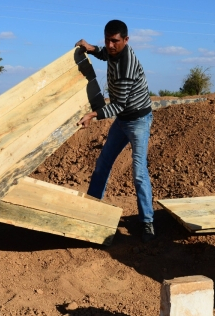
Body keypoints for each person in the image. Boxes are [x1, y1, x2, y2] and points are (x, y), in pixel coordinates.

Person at [75, 20, 156, 242]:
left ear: (126, 40)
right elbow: (105, 54)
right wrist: (91, 48)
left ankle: (147, 222)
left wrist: (93, 115)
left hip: (138, 120)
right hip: (122, 120)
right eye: (107, 40)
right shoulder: (112, 52)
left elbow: (119, 104)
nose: (110, 45)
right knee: (103, 163)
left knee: (139, 172)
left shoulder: (126, 65)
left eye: (115, 41)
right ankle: (91, 210)